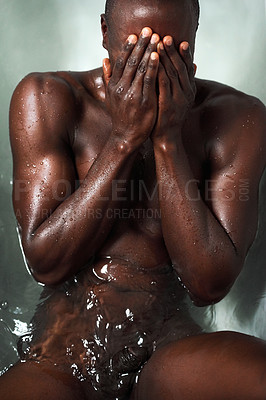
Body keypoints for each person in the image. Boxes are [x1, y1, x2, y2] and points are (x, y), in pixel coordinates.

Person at [1, 0, 265, 398]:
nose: (151, 70)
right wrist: (124, 138)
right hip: (60, 351)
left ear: (194, 39)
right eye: (134, 52)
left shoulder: (236, 118)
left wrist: (167, 139)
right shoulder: (47, 98)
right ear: (105, 32)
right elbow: (46, 262)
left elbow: (207, 284)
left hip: (168, 345)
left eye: (171, 53)